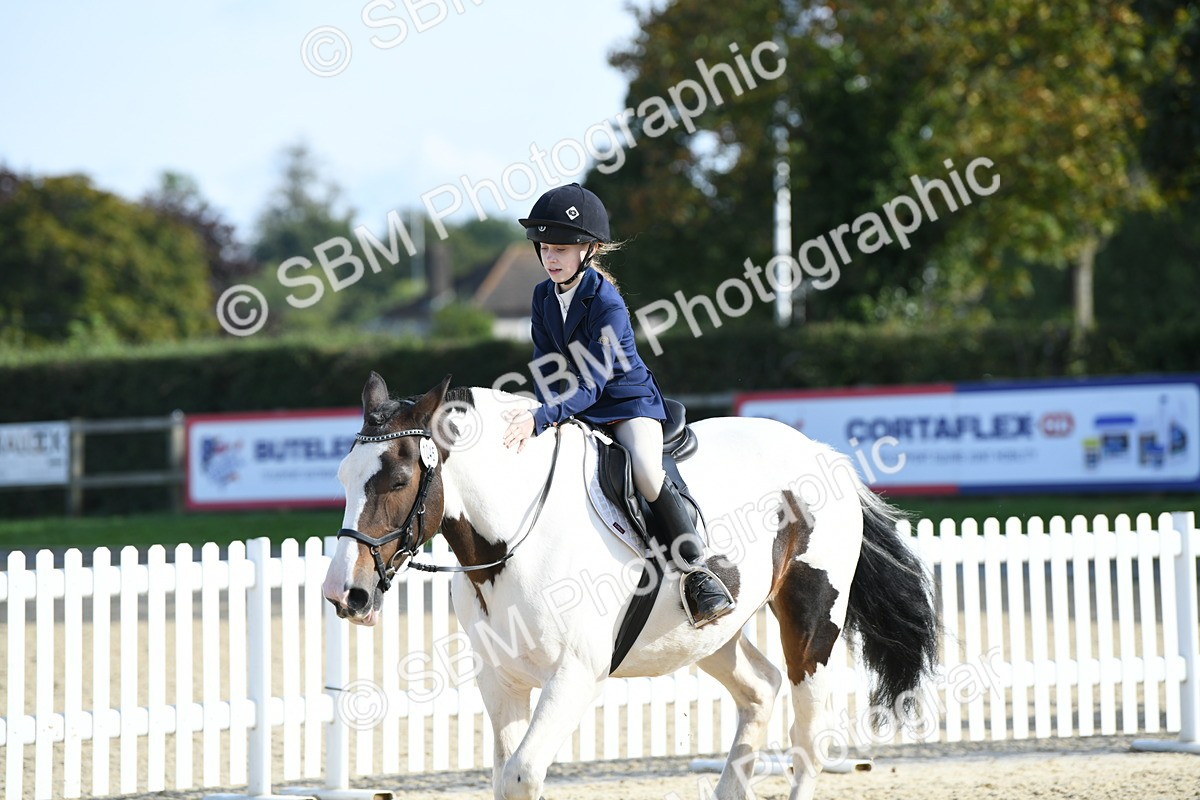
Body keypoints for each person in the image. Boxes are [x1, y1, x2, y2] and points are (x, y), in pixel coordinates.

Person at [501, 183, 734, 627]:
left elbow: (592, 382)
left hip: (628, 405)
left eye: (563, 249)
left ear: (589, 249)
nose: (551, 257)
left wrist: (544, 416)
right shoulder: (541, 297)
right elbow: (545, 365)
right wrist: (538, 407)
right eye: (546, 247)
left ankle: (697, 573)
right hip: (581, 405)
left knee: (646, 470)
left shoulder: (606, 302)